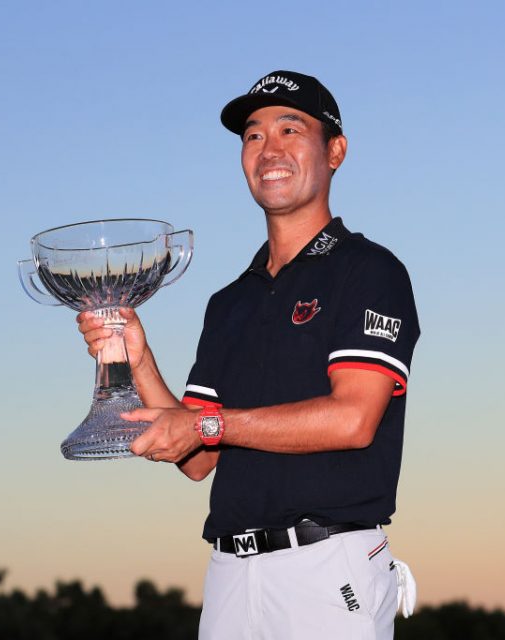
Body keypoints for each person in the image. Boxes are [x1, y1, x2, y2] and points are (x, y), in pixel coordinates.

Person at [78, 70, 419, 639]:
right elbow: (197, 458)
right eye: (254, 135)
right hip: (229, 575)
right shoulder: (231, 301)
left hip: (327, 567)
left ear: (335, 151)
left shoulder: (370, 270)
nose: (270, 149)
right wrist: (138, 357)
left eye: (291, 129)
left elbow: (354, 419)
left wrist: (208, 423)